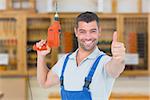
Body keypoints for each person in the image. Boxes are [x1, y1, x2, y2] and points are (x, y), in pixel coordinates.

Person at [36, 11, 125, 100]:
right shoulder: (65, 61)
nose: (88, 37)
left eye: (92, 31)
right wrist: (41, 56)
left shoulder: (104, 62)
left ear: (99, 31)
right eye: (83, 31)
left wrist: (118, 59)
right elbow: (44, 82)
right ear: (76, 32)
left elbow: (115, 69)